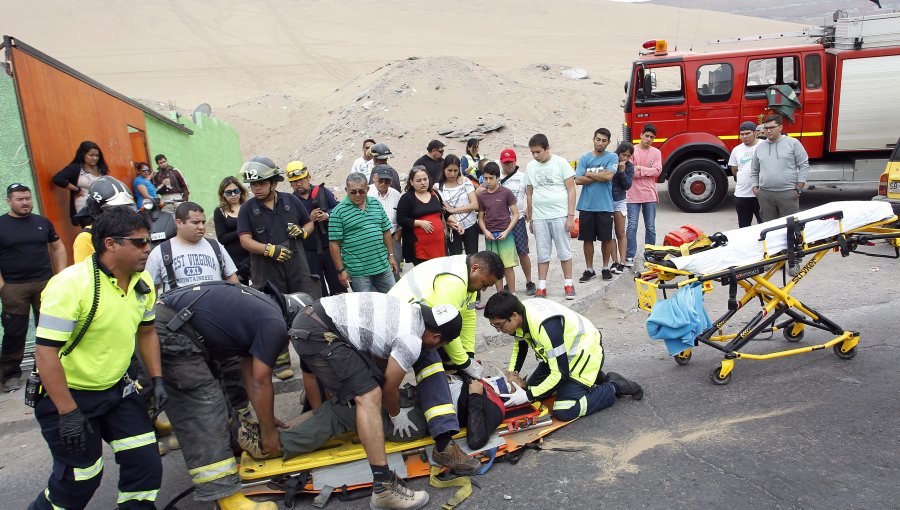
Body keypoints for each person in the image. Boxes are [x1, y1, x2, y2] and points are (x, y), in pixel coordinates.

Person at [29, 206, 166, 510]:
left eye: (149, 242)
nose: (148, 249)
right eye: (140, 242)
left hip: (117, 391)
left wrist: (156, 378)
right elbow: (45, 352)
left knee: (145, 464)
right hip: (68, 396)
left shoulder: (141, 282)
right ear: (110, 244)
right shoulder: (70, 286)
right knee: (80, 480)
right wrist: (67, 412)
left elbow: (146, 332)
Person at [287, 293, 471, 509]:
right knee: (369, 396)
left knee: (353, 400)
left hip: (314, 318)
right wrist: (395, 415)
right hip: (321, 331)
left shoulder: (411, 313)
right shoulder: (411, 340)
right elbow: (389, 390)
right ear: (436, 338)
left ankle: (328, 397)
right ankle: (383, 487)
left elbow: (380, 359)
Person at [153, 281, 303, 510]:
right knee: (205, 409)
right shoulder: (274, 323)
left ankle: (230, 444)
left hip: (172, 324)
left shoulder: (260, 308)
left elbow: (250, 375)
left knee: (218, 394)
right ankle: (225, 497)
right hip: (172, 330)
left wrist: (266, 418)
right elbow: (260, 380)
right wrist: (268, 431)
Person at [484, 291, 643, 421]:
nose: (498, 330)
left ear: (514, 315)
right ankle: (594, 378)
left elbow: (560, 374)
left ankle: (614, 386)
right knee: (534, 391)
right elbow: (520, 346)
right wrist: (512, 374)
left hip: (583, 353)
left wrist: (527, 395)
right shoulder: (520, 311)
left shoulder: (545, 325)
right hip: (560, 355)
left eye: (499, 325)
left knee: (564, 410)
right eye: (494, 326)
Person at [237, 156, 321, 380]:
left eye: (261, 183)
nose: (256, 188)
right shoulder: (247, 209)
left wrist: (303, 232)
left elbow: (309, 222)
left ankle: (312, 350)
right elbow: (245, 240)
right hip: (266, 268)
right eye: (253, 184)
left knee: (305, 305)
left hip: (297, 264)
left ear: (273, 182)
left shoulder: (290, 201)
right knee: (273, 310)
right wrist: (268, 250)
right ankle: (280, 357)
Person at [389, 251, 504, 378]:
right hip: (396, 320)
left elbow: (468, 317)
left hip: (418, 317)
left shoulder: (468, 276)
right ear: (475, 268)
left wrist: (469, 354)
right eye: (484, 284)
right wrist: (464, 363)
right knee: (433, 360)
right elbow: (445, 327)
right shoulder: (454, 282)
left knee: (449, 357)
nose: (483, 289)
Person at [0, 184, 67, 391]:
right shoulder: (1, 224)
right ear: (9, 201)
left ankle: (47, 369)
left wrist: (60, 276)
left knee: (49, 329)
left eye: (28, 198)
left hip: (45, 284)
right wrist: (2, 286)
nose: (25, 202)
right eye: (20, 199)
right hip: (14, 286)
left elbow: (58, 247)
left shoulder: (42, 222)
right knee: (14, 331)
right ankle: (10, 374)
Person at [524, 133, 577, 299]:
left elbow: (571, 189)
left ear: (547, 149)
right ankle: (542, 286)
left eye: (538, 152)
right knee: (542, 252)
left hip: (559, 215)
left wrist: (570, 216)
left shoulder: (561, 163)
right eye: (533, 152)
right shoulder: (531, 167)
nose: (535, 155)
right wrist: (531, 217)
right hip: (540, 217)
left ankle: (568, 284)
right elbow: (530, 194)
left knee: (564, 251)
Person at [145, 202, 239, 294]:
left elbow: (231, 276)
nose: (201, 227)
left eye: (203, 222)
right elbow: (151, 289)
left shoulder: (215, 246)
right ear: (179, 223)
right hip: (177, 309)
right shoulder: (161, 252)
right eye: (195, 222)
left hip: (214, 306)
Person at [328, 173, 398, 293]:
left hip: (382, 266)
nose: (357, 195)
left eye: (361, 191)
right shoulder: (338, 212)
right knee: (366, 307)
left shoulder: (376, 204)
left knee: (394, 298)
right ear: (346, 190)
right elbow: (334, 244)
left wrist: (391, 256)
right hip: (358, 273)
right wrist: (341, 271)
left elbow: (386, 231)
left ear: (368, 189)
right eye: (353, 192)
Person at [287, 161, 345, 296]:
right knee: (317, 289)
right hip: (308, 252)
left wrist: (327, 215)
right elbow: (290, 225)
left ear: (308, 177)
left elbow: (338, 208)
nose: (298, 184)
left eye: (300, 180)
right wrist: (309, 219)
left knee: (338, 286)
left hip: (330, 248)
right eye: (294, 182)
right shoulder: (290, 202)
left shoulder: (323, 192)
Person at [575, 128, 619, 283]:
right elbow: (578, 180)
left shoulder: (612, 156)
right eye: (598, 139)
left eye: (604, 140)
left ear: (608, 142)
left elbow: (609, 176)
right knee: (587, 239)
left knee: (606, 239)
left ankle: (605, 267)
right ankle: (589, 269)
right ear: (593, 139)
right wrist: (600, 176)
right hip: (586, 205)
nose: (600, 143)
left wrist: (589, 173)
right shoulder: (584, 157)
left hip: (605, 205)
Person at [750, 114, 810, 222]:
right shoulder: (760, 147)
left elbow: (804, 165)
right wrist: (755, 188)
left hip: (787, 193)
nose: (768, 131)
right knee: (768, 227)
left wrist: (799, 188)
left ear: (780, 127)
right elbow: (754, 170)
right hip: (765, 194)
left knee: (790, 227)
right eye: (766, 128)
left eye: (772, 127)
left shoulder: (793, 143)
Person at [397, 166, 458, 266]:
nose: (423, 183)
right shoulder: (407, 198)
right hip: (420, 248)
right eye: (419, 180)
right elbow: (401, 219)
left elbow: (444, 212)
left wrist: (456, 223)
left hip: (439, 246)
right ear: (412, 182)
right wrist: (420, 223)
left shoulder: (435, 194)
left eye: (425, 179)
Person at [72, 177, 136, 263]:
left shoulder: (132, 231)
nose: (122, 215)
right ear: (98, 211)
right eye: (115, 210)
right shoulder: (87, 237)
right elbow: (85, 272)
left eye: (126, 209)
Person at [477, 162, 519, 292]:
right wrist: (485, 231)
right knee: (495, 267)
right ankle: (500, 294)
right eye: (486, 178)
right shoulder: (482, 195)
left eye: (491, 178)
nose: (488, 181)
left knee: (508, 266)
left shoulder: (506, 192)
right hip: (490, 235)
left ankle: (512, 294)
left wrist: (507, 231)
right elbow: (480, 217)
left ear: (497, 177)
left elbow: (516, 214)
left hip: (505, 234)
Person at [499, 149, 536, 296]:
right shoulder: (497, 177)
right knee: (505, 254)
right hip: (501, 221)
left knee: (522, 251)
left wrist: (528, 209)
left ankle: (529, 281)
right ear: (501, 162)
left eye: (511, 162)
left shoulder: (522, 176)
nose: (509, 165)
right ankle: (509, 282)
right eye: (506, 162)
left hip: (518, 218)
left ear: (515, 161)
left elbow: (529, 194)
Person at [625, 124, 662, 267]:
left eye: (652, 137)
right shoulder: (632, 150)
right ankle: (629, 255)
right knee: (632, 226)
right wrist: (648, 171)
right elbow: (630, 172)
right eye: (646, 136)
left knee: (651, 226)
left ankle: (650, 254)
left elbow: (658, 171)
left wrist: (640, 168)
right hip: (633, 194)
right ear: (641, 135)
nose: (648, 139)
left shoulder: (656, 152)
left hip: (650, 194)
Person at [52, 140, 109, 226]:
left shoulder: (100, 169)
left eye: (97, 155)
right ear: (83, 155)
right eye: (91, 155)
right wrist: (76, 189)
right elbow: (58, 178)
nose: (94, 158)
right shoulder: (76, 168)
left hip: (102, 208)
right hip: (85, 210)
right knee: (93, 234)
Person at [435, 154, 479, 256]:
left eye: (455, 170)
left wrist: (452, 210)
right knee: (455, 258)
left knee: (473, 257)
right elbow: (438, 211)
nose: (452, 174)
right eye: (449, 170)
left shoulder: (465, 182)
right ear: (444, 169)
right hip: (452, 228)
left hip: (470, 225)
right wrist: (446, 223)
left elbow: (475, 205)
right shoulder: (437, 187)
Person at [213, 176, 252, 284]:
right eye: (229, 192)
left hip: (253, 254)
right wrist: (243, 231)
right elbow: (222, 238)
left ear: (240, 191)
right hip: (234, 258)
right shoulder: (219, 211)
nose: (233, 195)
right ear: (223, 194)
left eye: (236, 191)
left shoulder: (249, 206)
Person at [368, 165, 403, 280]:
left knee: (394, 273)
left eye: (387, 181)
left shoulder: (396, 195)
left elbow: (401, 218)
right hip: (372, 242)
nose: (383, 183)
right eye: (380, 180)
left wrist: (398, 236)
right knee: (374, 275)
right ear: (374, 178)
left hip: (393, 239)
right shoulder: (365, 194)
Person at [729, 121, 763, 228]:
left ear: (755, 133)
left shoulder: (764, 145)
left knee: (764, 225)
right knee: (743, 227)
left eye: (747, 133)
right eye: (742, 134)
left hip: (759, 194)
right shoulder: (737, 150)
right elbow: (734, 169)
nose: (744, 137)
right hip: (741, 195)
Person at [611, 142, 635, 272]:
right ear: (618, 153)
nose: (625, 158)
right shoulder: (610, 161)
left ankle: (622, 261)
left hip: (619, 200)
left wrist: (621, 172)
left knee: (620, 232)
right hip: (607, 201)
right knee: (610, 234)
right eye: (623, 155)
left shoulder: (629, 167)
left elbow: (627, 185)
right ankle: (614, 262)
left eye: (628, 156)